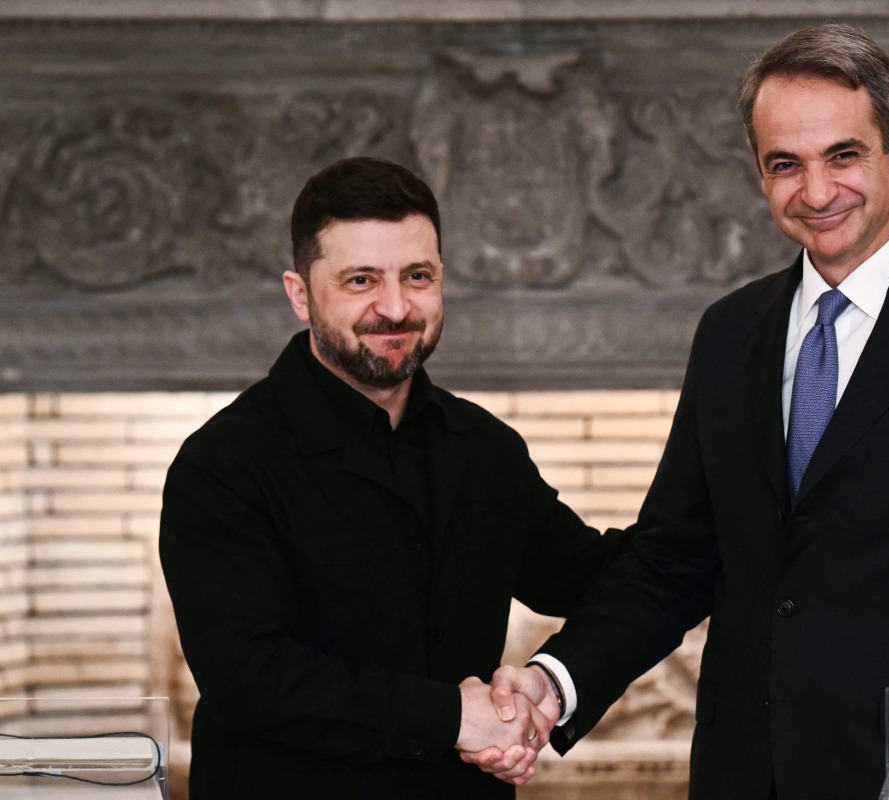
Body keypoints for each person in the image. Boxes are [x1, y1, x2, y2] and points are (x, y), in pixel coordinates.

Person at [467, 22, 889, 800]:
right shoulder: (731, 334)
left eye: (843, 155)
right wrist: (553, 682)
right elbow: (674, 560)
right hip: (746, 778)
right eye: (785, 165)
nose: (815, 192)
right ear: (758, 171)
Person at [158, 156, 630, 800]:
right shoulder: (223, 463)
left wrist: (548, 681)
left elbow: (596, 578)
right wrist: (454, 718)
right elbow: (250, 679)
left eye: (418, 276)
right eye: (360, 280)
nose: (395, 306)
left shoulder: (484, 449)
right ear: (300, 294)